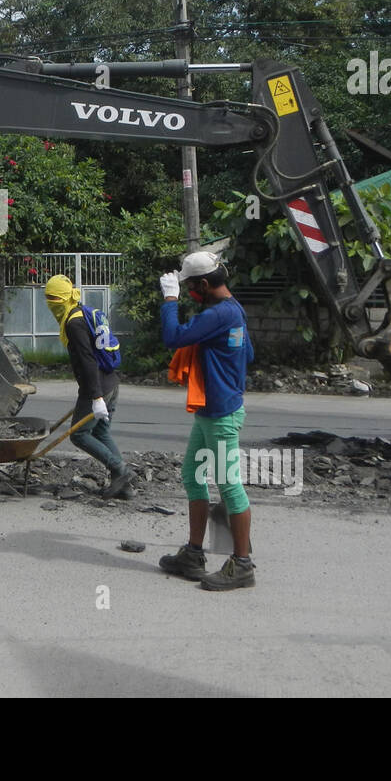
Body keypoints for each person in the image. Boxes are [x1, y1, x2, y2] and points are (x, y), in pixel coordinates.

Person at [156, 251, 256, 591]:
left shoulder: (219, 314)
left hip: (220, 414)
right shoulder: (234, 310)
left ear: (202, 284)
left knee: (229, 485)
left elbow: (173, 337)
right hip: (211, 411)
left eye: (189, 288)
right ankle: (194, 554)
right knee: (192, 475)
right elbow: (250, 354)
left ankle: (242, 565)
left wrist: (170, 299)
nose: (189, 293)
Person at [42, 274, 134, 498]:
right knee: (101, 432)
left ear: (63, 298)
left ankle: (121, 470)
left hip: (98, 386)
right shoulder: (82, 311)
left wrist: (95, 397)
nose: (50, 303)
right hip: (111, 381)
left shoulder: (74, 323)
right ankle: (124, 487)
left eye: (53, 298)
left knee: (79, 434)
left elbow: (87, 359)